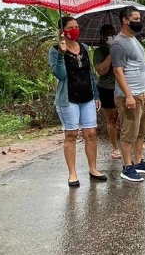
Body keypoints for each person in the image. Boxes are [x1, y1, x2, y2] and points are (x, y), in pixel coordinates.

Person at [49, 16, 107, 187]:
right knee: (71, 135)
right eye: (71, 27)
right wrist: (61, 54)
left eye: (76, 26)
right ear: (62, 31)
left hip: (87, 96)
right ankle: (72, 173)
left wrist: (96, 95)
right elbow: (60, 75)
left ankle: (93, 168)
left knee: (91, 134)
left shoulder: (84, 47)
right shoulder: (54, 50)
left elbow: (89, 74)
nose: (75, 29)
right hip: (69, 98)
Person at [110, 6, 145, 182]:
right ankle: (127, 167)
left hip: (142, 93)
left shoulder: (134, 40)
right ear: (125, 20)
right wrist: (129, 95)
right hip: (128, 96)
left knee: (140, 131)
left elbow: (140, 65)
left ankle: (138, 162)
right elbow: (118, 71)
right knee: (128, 133)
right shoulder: (118, 43)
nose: (139, 22)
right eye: (136, 19)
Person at [93, 24, 121, 159]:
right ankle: (115, 147)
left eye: (113, 33)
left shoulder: (122, 48)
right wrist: (111, 54)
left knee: (128, 117)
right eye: (108, 34)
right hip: (106, 88)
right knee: (112, 118)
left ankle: (133, 143)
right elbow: (101, 71)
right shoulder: (99, 52)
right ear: (103, 37)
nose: (111, 36)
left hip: (122, 87)